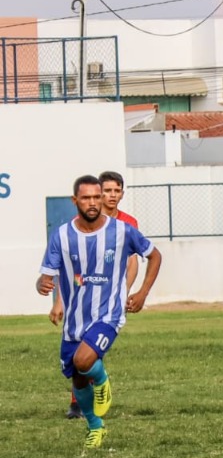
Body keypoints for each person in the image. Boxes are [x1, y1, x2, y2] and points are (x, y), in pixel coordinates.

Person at [37, 174, 163, 449]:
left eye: (97, 197)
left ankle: (103, 380)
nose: (93, 202)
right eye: (87, 198)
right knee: (77, 377)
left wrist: (141, 293)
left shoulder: (122, 231)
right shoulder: (61, 235)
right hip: (75, 320)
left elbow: (154, 255)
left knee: (85, 362)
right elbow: (47, 274)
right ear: (75, 201)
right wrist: (43, 285)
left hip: (109, 314)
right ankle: (96, 427)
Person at [52, 170, 141, 419]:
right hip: (83, 299)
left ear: (122, 194)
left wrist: (125, 292)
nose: (111, 196)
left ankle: (91, 399)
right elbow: (73, 270)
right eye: (107, 191)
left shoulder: (127, 224)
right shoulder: (81, 224)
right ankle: (78, 401)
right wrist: (61, 300)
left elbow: (132, 261)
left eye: (116, 191)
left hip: (109, 300)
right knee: (80, 354)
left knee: (89, 351)